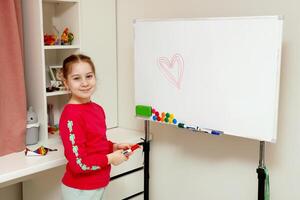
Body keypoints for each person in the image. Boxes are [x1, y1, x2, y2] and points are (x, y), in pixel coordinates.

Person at [59, 54, 134, 200]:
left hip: (98, 184)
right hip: (79, 190)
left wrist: (114, 147)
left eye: (89, 76)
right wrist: (110, 159)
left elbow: (96, 143)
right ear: (66, 83)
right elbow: (78, 164)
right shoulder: (71, 116)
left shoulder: (97, 109)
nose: (85, 83)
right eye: (76, 78)